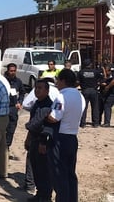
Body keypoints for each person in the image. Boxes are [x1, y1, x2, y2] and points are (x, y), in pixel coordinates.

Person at [46, 69, 86, 202]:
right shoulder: (80, 96)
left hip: (60, 138)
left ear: (63, 80)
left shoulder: (61, 96)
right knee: (70, 174)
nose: (56, 83)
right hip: (72, 136)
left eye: (58, 80)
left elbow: (54, 118)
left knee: (59, 174)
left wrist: (44, 113)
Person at [24, 79, 56, 202]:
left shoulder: (48, 105)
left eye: (40, 88)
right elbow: (33, 123)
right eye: (36, 88)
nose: (37, 90)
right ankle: (39, 194)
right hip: (34, 139)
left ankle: (46, 197)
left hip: (43, 141)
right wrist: (28, 139)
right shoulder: (37, 103)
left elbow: (46, 126)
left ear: (47, 91)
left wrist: (43, 142)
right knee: (35, 168)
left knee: (44, 170)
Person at [4, 63, 25, 151]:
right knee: (3, 128)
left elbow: (22, 92)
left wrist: (20, 102)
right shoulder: (3, 81)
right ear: (8, 71)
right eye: (11, 71)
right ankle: (2, 146)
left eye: (14, 71)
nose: (13, 72)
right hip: (4, 108)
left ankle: (7, 146)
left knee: (11, 129)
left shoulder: (18, 81)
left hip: (13, 108)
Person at [78, 59, 102, 128]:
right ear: (90, 64)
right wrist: (98, 84)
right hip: (94, 90)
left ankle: (82, 123)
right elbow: (102, 78)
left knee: (84, 107)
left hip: (85, 90)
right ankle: (95, 123)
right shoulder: (95, 72)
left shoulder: (81, 72)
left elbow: (77, 81)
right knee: (95, 107)